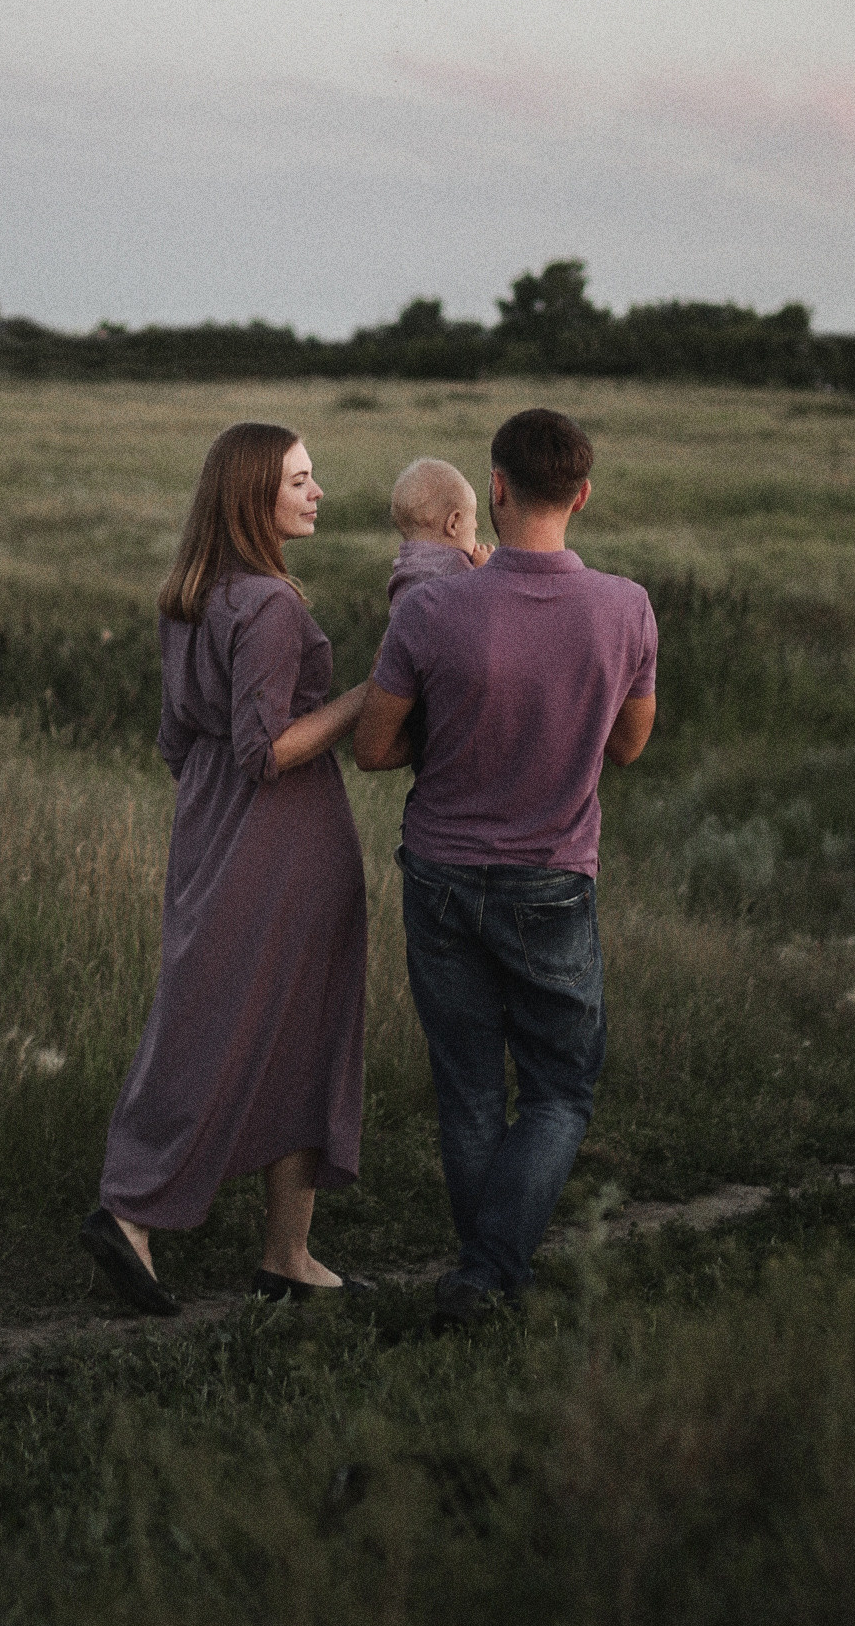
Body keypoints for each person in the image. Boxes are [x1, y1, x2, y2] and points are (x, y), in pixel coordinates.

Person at [353, 404, 656, 1326]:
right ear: (582, 494)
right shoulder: (625, 607)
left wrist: (449, 737)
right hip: (552, 880)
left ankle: (481, 1273)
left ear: (494, 488)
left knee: (471, 1084)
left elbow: (372, 749)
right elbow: (630, 747)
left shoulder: (431, 606)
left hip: (440, 874)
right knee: (560, 1085)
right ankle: (488, 1274)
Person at [81, 422, 372, 1318]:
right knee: (267, 1026)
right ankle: (134, 1212)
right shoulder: (272, 606)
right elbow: (268, 750)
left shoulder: (192, 597)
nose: (317, 493)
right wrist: (370, 694)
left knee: (235, 1019)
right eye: (300, 479)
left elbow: (178, 741)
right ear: (255, 498)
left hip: (205, 826)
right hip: (280, 838)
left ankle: (287, 1253)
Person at [387, 455, 489, 598]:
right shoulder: (454, 565)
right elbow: (483, 603)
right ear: (453, 523)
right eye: (474, 530)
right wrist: (485, 571)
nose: (475, 540)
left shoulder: (404, 568)